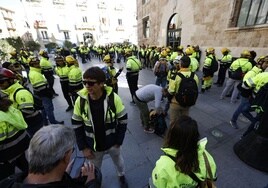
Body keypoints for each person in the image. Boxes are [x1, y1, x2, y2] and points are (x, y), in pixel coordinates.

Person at [71, 67, 128, 188]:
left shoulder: (113, 98)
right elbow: (77, 125)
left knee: (119, 162)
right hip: (93, 147)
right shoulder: (80, 101)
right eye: (84, 82)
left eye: (91, 83)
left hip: (113, 143)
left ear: (101, 84)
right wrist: (83, 147)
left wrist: (119, 140)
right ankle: (95, 183)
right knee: (94, 170)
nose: (87, 86)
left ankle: (121, 175)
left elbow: (123, 120)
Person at [0, 124, 101, 188]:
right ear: (65, 157)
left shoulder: (8, 182)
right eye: (72, 151)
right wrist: (91, 183)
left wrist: (63, 175)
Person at [151, 116, 217, 188]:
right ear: (195, 137)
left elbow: (158, 184)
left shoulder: (163, 164)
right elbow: (212, 176)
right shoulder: (205, 157)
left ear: (171, 136)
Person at [0, 67, 43, 136]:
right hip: (28, 123)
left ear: (10, 80)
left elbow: (28, 111)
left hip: (33, 123)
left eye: (1, 82)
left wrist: (13, 119)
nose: (0, 85)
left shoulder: (21, 93)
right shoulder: (10, 91)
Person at [0, 97, 30, 181]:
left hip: (7, 156)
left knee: (6, 180)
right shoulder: (9, 107)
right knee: (26, 168)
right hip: (21, 146)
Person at [28, 56, 64, 125]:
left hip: (40, 94)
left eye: (38, 63)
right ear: (32, 65)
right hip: (44, 95)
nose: (38, 64)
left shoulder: (34, 72)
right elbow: (42, 88)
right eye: (36, 64)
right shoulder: (36, 74)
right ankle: (53, 122)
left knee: (44, 109)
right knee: (49, 109)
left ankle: (45, 122)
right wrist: (49, 94)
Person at [167, 56, 199, 124]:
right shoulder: (194, 76)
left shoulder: (175, 76)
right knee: (184, 121)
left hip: (176, 103)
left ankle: (173, 133)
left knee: (173, 122)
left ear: (180, 63)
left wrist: (169, 100)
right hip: (188, 102)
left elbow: (171, 91)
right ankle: (183, 132)